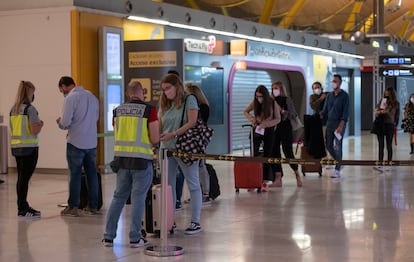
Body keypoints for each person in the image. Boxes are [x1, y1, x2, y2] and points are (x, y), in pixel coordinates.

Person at [102, 80, 159, 248]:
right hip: (141, 161)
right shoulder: (150, 110)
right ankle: (135, 237)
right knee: (138, 198)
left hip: (121, 161)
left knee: (118, 198)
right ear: (142, 92)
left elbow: (119, 131)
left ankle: (108, 236)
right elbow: (155, 138)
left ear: (128, 93)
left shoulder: (117, 111)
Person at [159, 73, 202, 234]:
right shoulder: (165, 104)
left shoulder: (189, 99)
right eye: (163, 89)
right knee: (168, 186)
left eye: (168, 88)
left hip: (184, 147)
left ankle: (195, 221)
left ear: (177, 86)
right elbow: (161, 123)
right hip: (166, 148)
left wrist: (174, 133)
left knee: (192, 183)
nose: (166, 92)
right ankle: (169, 221)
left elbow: (192, 122)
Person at [56, 76, 99, 217]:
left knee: (74, 175)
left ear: (63, 86)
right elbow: (95, 118)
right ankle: (93, 206)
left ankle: (73, 206)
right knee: (91, 174)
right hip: (91, 142)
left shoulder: (70, 98)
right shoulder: (92, 96)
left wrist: (60, 122)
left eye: (61, 89)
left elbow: (66, 122)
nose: (62, 92)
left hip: (75, 142)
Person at [10, 81, 44, 217]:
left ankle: (22, 206)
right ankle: (22, 208)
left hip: (17, 148)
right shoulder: (30, 109)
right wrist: (41, 124)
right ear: (29, 93)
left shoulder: (14, 109)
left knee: (21, 178)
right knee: (24, 179)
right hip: (29, 149)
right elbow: (34, 129)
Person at [243, 85, 280, 191]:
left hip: (268, 130)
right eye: (257, 96)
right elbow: (245, 111)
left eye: (261, 96)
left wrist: (267, 124)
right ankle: (254, 180)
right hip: (257, 129)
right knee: (254, 154)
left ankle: (264, 180)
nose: (259, 98)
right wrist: (252, 118)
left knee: (267, 155)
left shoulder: (272, 103)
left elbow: (278, 119)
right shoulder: (255, 102)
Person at [270, 81, 302, 187]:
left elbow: (293, 114)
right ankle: (278, 177)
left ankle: (297, 173)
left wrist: (283, 111)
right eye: (273, 88)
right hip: (275, 128)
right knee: (274, 151)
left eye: (276, 88)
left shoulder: (287, 100)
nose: (274, 90)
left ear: (281, 89)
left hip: (285, 127)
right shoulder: (271, 100)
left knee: (287, 151)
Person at [185, 83, 213, 203]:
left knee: (201, 166)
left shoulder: (202, 107)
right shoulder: (200, 106)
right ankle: (197, 193)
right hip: (192, 139)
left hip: (198, 139)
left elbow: (199, 123)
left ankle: (205, 193)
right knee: (194, 167)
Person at [320, 74, 349, 178]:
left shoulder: (344, 96)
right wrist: (320, 114)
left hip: (339, 124)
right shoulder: (329, 96)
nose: (333, 83)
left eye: (335, 81)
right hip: (329, 123)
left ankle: (337, 169)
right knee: (328, 145)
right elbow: (325, 110)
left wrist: (341, 125)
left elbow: (345, 112)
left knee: (338, 145)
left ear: (340, 83)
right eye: (332, 81)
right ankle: (339, 161)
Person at [372, 87, 399, 171]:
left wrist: (395, 124)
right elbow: (377, 110)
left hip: (389, 125)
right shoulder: (382, 101)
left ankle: (389, 163)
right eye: (385, 94)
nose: (386, 95)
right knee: (381, 144)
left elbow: (394, 114)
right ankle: (380, 163)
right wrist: (377, 111)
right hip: (380, 124)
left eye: (388, 94)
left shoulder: (395, 103)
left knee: (389, 145)